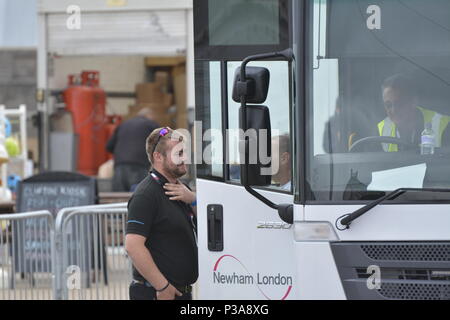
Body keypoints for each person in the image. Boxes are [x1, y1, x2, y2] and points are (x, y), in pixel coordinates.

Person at [125, 127, 198, 300]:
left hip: (181, 291)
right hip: (156, 292)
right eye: (178, 154)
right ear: (158, 157)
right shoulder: (146, 195)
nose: (185, 158)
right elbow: (133, 246)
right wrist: (162, 286)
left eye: (184, 152)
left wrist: (194, 200)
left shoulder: (182, 189)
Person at [378, 74, 450, 152]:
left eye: (399, 103)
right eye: (388, 105)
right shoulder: (380, 129)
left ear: (414, 102)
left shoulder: (444, 125)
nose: (394, 110)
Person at [106, 108, 159, 191]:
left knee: (118, 199)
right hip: (138, 166)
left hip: (120, 166)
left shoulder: (123, 124)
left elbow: (109, 146)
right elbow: (162, 137)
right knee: (139, 196)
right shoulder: (151, 124)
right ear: (150, 116)